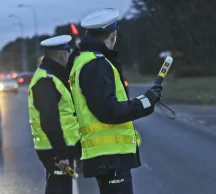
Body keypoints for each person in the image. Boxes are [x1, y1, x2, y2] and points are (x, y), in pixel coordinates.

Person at [69, 8, 163, 194]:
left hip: (105, 155)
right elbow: (108, 110)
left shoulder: (84, 60)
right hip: (109, 156)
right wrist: (145, 102)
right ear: (113, 35)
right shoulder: (96, 64)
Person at [28, 35, 80, 194]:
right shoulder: (45, 81)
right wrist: (61, 154)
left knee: (60, 187)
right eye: (68, 52)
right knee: (59, 189)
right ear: (62, 54)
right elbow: (49, 121)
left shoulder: (53, 77)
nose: (69, 56)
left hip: (58, 149)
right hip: (55, 151)